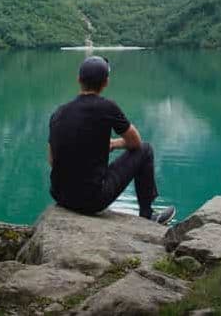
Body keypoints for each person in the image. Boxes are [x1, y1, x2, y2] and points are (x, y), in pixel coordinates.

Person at [48, 56, 175, 224]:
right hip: (92, 200)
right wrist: (114, 144)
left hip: (60, 195)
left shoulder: (59, 112)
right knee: (145, 150)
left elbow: (52, 160)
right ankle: (147, 214)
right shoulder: (107, 107)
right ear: (106, 82)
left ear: (79, 80)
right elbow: (135, 142)